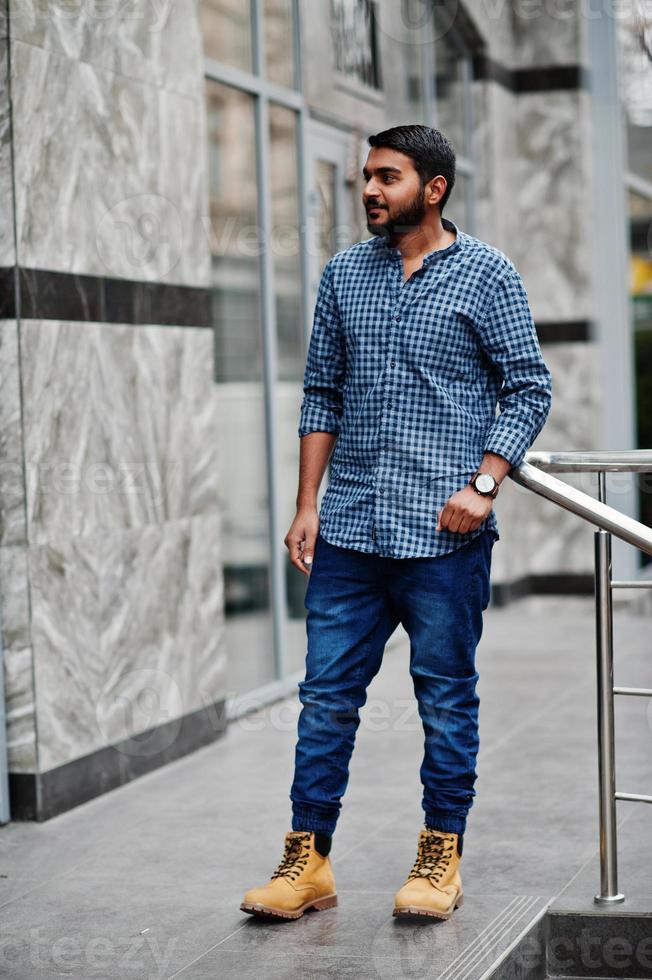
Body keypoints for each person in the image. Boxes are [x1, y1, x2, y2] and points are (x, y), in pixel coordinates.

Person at [240, 124, 553, 922]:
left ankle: (439, 856)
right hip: (348, 531)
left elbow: (527, 387)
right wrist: (307, 505)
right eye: (366, 179)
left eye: (386, 177)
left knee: (445, 699)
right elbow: (322, 395)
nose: (370, 191)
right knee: (325, 701)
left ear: (434, 187)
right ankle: (306, 861)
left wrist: (484, 483)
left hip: (443, 538)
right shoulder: (345, 274)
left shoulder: (487, 276)